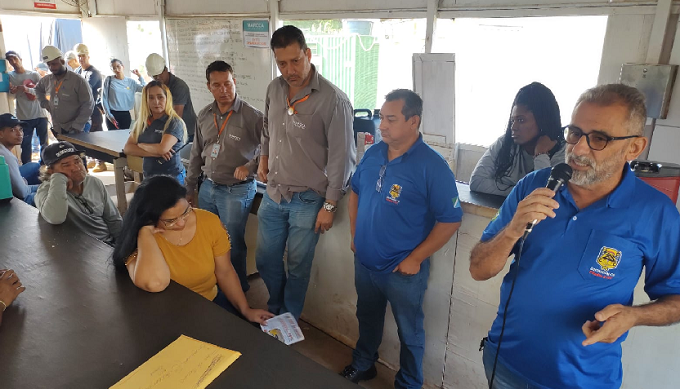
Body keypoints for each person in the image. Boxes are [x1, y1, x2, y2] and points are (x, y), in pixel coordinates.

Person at [469, 84, 680, 389]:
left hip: (582, 380)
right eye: (575, 133)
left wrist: (634, 316)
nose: (579, 149)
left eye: (599, 139)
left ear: (633, 148)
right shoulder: (534, 185)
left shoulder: (655, 213)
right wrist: (513, 229)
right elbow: (479, 269)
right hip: (505, 362)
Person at [340, 90, 463, 388]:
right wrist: (355, 234)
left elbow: (451, 219)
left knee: (410, 331)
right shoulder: (373, 153)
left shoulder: (432, 166)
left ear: (413, 121)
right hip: (365, 262)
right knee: (367, 316)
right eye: (382, 117)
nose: (382, 125)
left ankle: (408, 382)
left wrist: (416, 259)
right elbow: (355, 191)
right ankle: (364, 364)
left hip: (401, 270)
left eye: (391, 119)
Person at [256, 25, 356, 321]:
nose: (290, 70)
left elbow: (342, 160)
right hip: (274, 194)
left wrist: (330, 205)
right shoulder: (274, 89)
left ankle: (288, 320)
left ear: (308, 54)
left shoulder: (333, 100)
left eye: (295, 61)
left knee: (298, 266)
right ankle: (274, 307)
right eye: (282, 63)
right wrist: (263, 158)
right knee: (265, 260)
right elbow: (266, 130)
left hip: (308, 200)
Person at [111, 175, 274, 324]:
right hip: (162, 315)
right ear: (149, 218)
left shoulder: (208, 222)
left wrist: (245, 309)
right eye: (170, 221)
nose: (181, 223)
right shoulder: (140, 238)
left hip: (208, 304)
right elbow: (154, 283)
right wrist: (145, 234)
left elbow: (224, 271)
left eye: (186, 212)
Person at [187, 60, 264, 293]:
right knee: (210, 240)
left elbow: (271, 150)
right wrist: (190, 187)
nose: (224, 90)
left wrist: (250, 166)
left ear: (235, 82)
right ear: (209, 86)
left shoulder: (252, 116)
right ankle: (217, 287)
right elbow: (196, 153)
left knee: (232, 242)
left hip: (237, 190)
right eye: (217, 85)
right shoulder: (203, 115)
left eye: (228, 84)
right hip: (208, 188)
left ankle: (239, 290)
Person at [470, 82, 566, 196]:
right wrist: (520, 193)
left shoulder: (564, 155)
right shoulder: (505, 143)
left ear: (543, 121)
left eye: (521, 120)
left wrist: (541, 155)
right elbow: (477, 181)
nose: (513, 127)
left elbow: (543, 196)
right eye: (512, 120)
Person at [35, 141, 123, 245]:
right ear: (50, 171)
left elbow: (113, 219)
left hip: (108, 244)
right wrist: (59, 179)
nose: (76, 168)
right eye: (66, 165)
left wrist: (123, 246)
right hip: (79, 251)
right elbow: (55, 217)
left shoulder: (94, 182)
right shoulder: (45, 192)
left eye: (77, 161)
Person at [124, 81, 187, 184]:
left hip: (172, 179)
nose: (156, 102)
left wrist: (141, 145)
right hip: (149, 177)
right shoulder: (142, 122)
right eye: (151, 97)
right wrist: (155, 152)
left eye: (160, 97)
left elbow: (163, 149)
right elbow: (128, 148)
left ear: (167, 99)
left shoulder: (174, 122)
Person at [34, 46, 94, 135]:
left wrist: (77, 125)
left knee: (78, 149)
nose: (51, 67)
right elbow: (37, 89)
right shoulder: (47, 80)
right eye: (49, 64)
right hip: (58, 127)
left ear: (62, 61)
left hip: (78, 127)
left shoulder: (78, 81)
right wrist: (44, 103)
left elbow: (88, 104)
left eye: (54, 64)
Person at [6, 51, 49, 164]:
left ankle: (45, 167)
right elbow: (10, 97)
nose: (13, 62)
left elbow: (43, 92)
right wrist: (12, 91)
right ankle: (27, 168)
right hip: (24, 116)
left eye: (15, 59)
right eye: (10, 60)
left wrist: (26, 89)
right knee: (25, 144)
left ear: (21, 59)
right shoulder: (10, 76)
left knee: (44, 143)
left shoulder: (34, 74)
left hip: (40, 114)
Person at [145, 53, 196, 142]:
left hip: (187, 132)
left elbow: (176, 117)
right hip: (166, 130)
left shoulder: (179, 86)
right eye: (154, 76)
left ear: (166, 70)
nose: (157, 78)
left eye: (159, 74)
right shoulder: (157, 87)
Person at [0, 114, 40, 205]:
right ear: (0, 134)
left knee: (35, 166)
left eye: (20, 129)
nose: (19, 134)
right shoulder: (5, 156)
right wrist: (46, 187)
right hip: (7, 201)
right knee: (48, 195)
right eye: (12, 130)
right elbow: (22, 193)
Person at [102, 58, 145, 131]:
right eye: (114, 68)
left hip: (125, 114)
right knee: (112, 138)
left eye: (118, 66)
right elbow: (104, 98)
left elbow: (144, 88)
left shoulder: (131, 82)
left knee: (123, 138)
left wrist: (139, 76)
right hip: (112, 114)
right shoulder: (109, 80)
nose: (117, 70)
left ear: (123, 66)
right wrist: (109, 115)